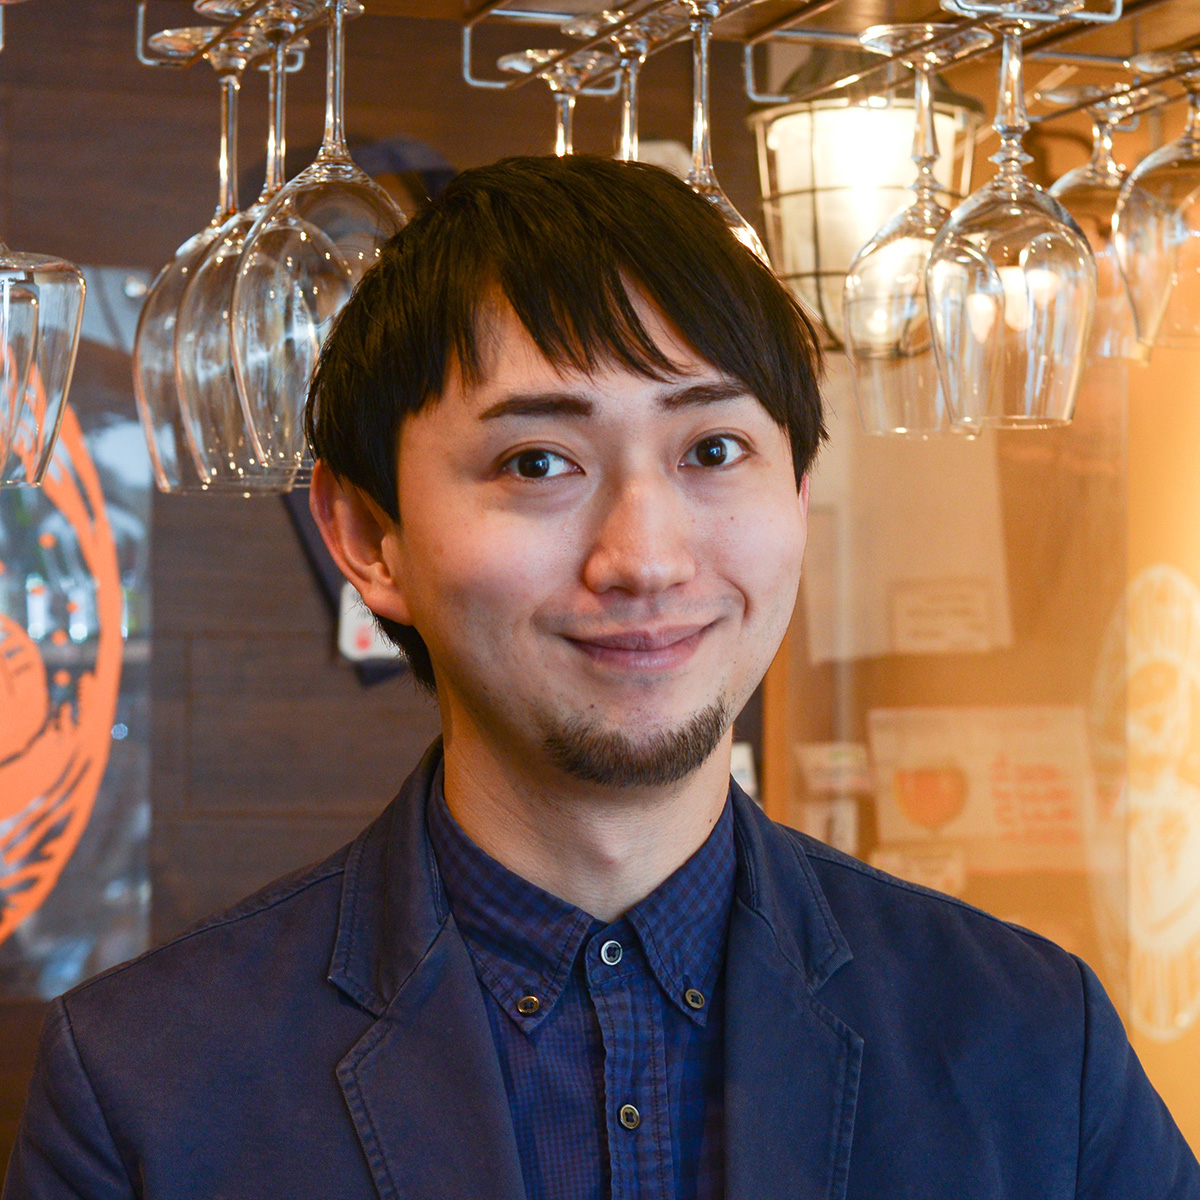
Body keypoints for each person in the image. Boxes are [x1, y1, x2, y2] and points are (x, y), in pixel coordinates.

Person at [4, 155, 1198, 1200]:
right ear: (370, 539)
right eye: (538, 462)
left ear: (797, 496)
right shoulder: (147, 1087)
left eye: (713, 449)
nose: (646, 558)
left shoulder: (1034, 1043)